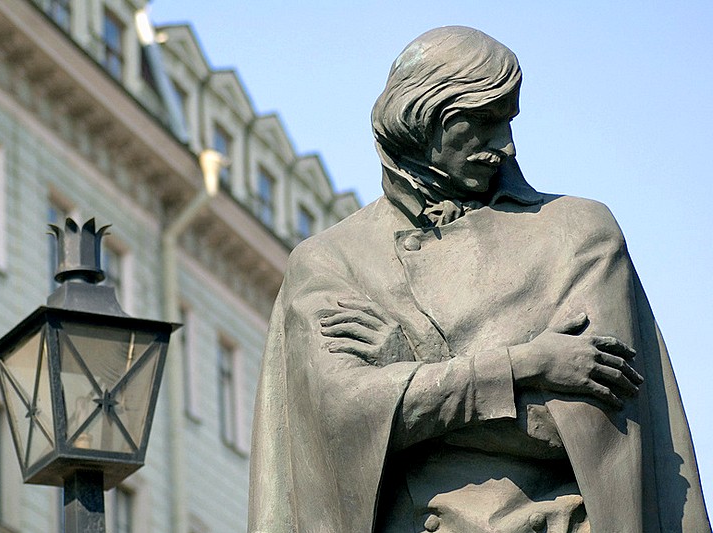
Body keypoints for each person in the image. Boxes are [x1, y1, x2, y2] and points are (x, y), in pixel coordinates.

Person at [248, 26, 710, 532]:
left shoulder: (578, 232)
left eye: (509, 121)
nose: (506, 146)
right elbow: (337, 429)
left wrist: (408, 380)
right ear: (420, 121)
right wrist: (525, 366)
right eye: (484, 123)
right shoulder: (332, 261)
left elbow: (590, 429)